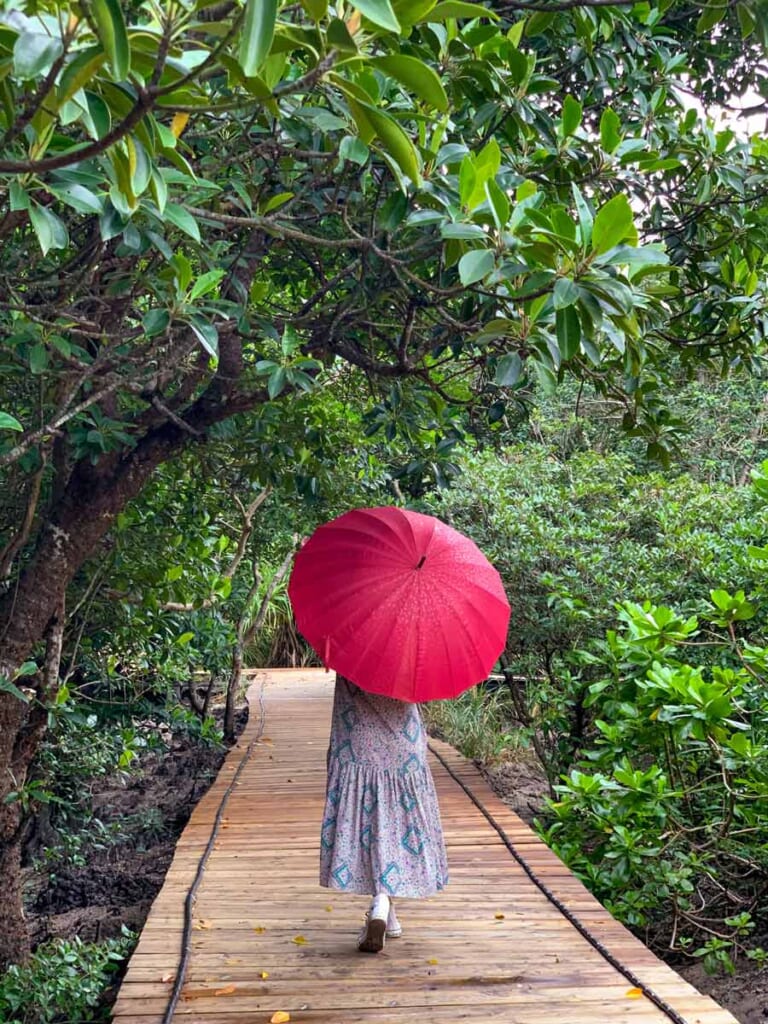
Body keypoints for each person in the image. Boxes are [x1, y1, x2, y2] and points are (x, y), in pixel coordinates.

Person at [319, 674, 449, 953]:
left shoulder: (350, 642)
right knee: (395, 825)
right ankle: (384, 906)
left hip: (357, 743)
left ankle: (381, 903)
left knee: (369, 822)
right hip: (404, 744)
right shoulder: (414, 651)